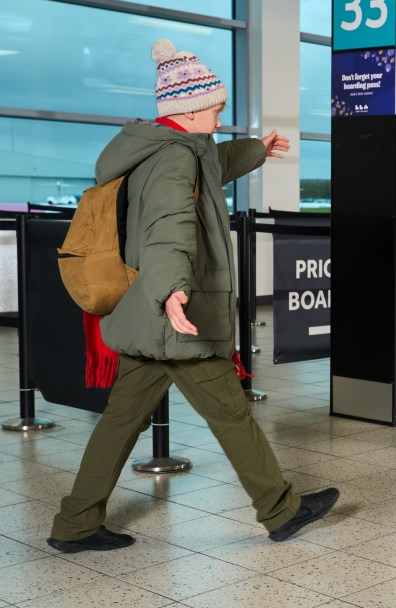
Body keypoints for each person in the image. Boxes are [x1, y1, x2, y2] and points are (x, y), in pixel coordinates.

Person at [47, 39, 339, 552]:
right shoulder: (175, 162)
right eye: (216, 109)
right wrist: (173, 293)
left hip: (146, 316)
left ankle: (74, 524)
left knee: (119, 422)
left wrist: (256, 150)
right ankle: (281, 509)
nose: (220, 117)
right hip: (174, 317)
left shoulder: (166, 148)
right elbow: (168, 227)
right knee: (231, 414)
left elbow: (215, 161)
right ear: (190, 109)